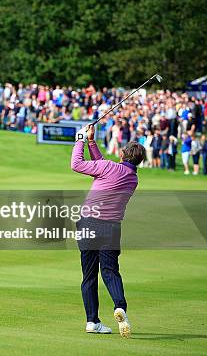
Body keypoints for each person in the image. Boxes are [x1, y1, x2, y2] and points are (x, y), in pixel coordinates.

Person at [71, 124, 145, 338]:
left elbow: (77, 164)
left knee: (89, 275)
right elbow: (102, 165)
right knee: (110, 271)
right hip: (111, 228)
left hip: (88, 224)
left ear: (122, 154)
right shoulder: (133, 178)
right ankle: (119, 306)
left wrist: (81, 139)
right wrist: (92, 142)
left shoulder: (108, 167)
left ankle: (92, 321)